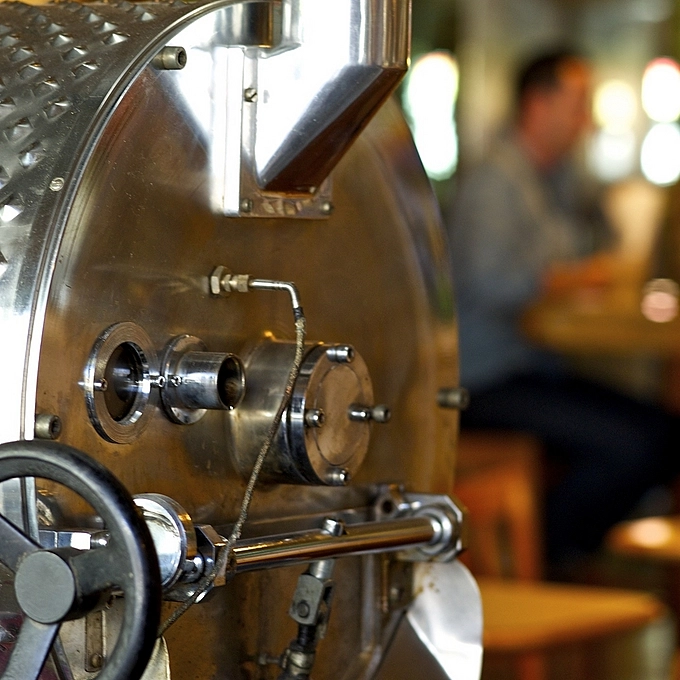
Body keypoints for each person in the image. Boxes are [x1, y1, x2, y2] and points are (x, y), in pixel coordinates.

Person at [448, 49, 680, 576]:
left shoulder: (547, 179)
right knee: (641, 443)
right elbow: (487, 281)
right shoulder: (496, 181)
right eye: (578, 104)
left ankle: (554, 553)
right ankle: (543, 560)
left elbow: (597, 240)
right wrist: (568, 278)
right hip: (485, 381)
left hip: (531, 367)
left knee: (657, 429)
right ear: (538, 103)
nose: (586, 119)